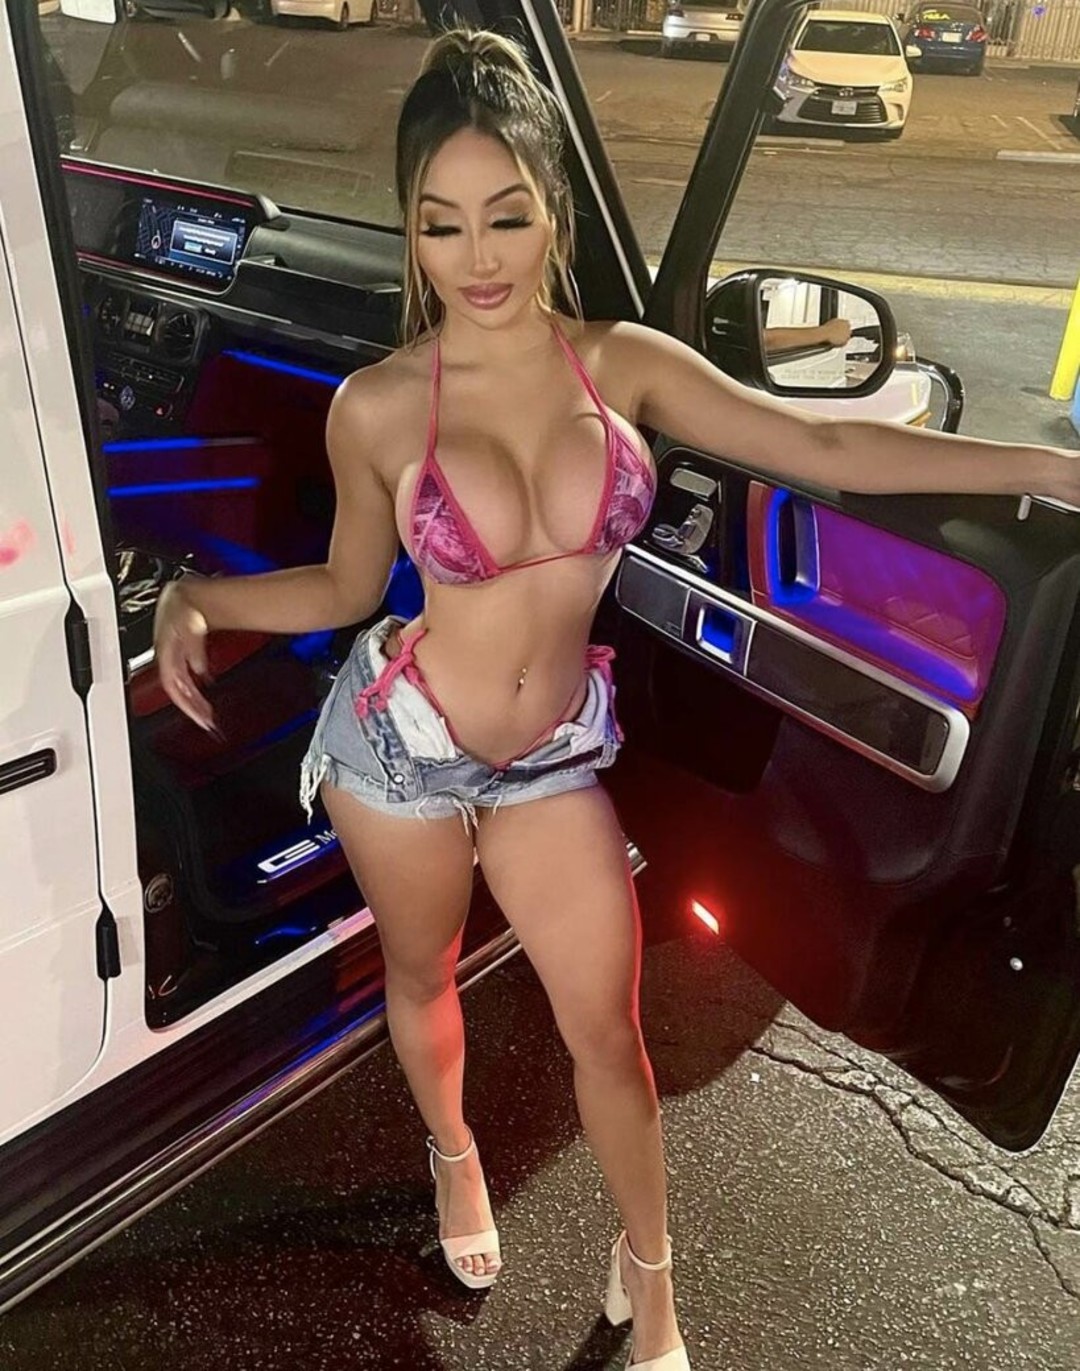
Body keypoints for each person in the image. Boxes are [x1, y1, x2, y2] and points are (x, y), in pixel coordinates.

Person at [152, 28, 1080, 1371]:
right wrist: (202, 599)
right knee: (422, 977)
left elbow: (820, 442)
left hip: (549, 762)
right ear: (412, 231)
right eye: (441, 224)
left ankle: (651, 1282)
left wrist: (1041, 473)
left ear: (554, 212)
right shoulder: (379, 406)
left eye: (507, 216)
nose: (477, 257)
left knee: (611, 1034)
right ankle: (455, 1154)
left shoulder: (623, 362)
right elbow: (349, 587)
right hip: (400, 750)